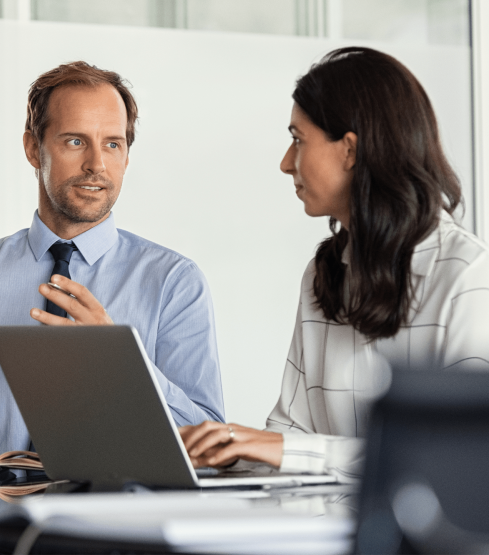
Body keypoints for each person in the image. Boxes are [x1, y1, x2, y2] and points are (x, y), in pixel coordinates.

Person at [180, 47, 489, 482]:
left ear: (349, 150)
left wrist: (288, 450)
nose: (286, 163)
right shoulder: (323, 274)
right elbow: (290, 433)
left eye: (298, 139)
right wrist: (229, 451)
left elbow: (461, 457)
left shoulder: (467, 277)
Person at [0, 61, 224, 457]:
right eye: (75, 141)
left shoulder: (174, 283)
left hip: (118, 518)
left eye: (113, 143)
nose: (97, 163)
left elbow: (208, 448)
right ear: (32, 148)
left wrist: (120, 367)